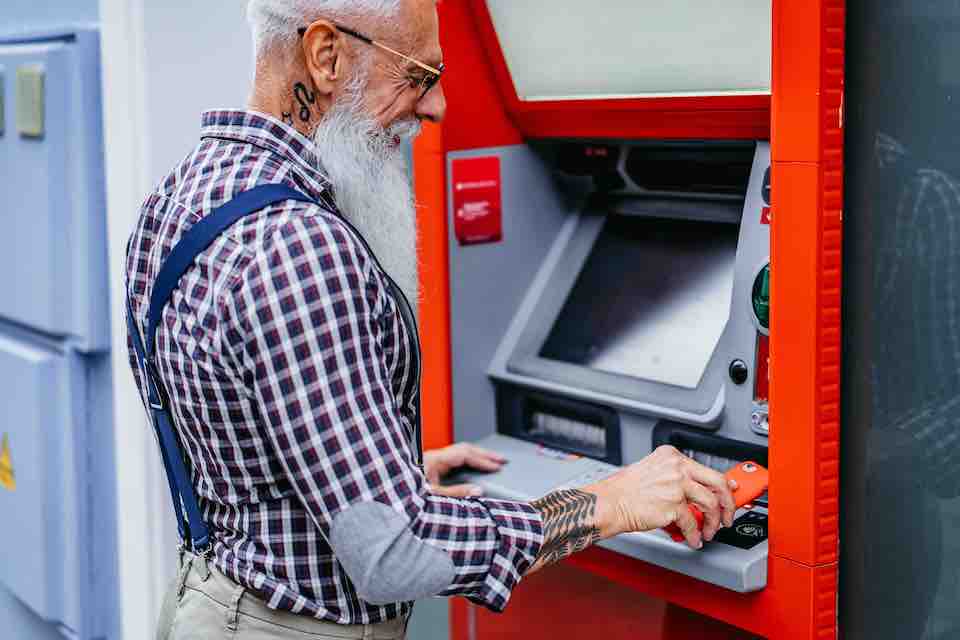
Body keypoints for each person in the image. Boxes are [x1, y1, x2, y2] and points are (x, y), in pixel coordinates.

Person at [125, 1, 736, 638]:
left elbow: (240, 443)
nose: (437, 106)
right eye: (419, 75)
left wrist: (384, 472)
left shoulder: (176, 200)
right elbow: (395, 551)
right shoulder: (298, 244)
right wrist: (606, 503)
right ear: (325, 55)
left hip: (207, 600)